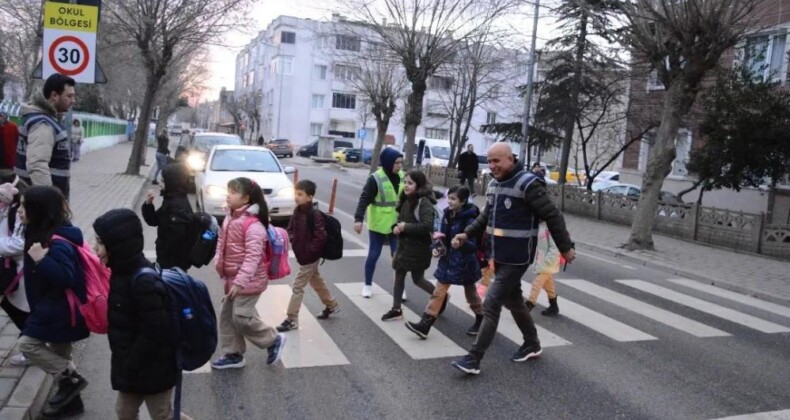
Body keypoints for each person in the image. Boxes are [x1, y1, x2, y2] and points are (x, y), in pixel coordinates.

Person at [450, 142, 575, 375]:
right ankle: (532, 343)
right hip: (499, 254)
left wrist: (565, 248)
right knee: (514, 301)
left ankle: (474, 358)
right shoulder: (496, 183)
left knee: (491, 303)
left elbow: (552, 215)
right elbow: (487, 215)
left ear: (510, 159)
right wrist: (466, 234)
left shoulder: (528, 184)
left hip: (518, 257)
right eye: (489, 161)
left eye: (497, 161)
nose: (492, 165)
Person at [93, 209, 192, 420]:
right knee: (124, 412)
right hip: (131, 366)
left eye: (100, 243)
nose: (96, 249)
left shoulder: (143, 282)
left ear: (119, 246)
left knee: (161, 414)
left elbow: (157, 330)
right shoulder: (121, 272)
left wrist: (131, 363)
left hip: (152, 367)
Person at [17, 186, 89, 416]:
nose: (18, 211)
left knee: (27, 345)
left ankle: (73, 380)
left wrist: (40, 260)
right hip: (52, 308)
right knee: (61, 355)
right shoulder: (38, 231)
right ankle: (72, 403)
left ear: (38, 210)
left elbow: (66, 277)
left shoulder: (58, 240)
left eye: (23, 206)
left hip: (59, 310)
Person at [211, 177, 286, 369]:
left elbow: (253, 258)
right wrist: (218, 259)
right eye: (228, 191)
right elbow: (221, 241)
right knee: (228, 316)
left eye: (233, 192)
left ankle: (273, 340)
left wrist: (240, 282)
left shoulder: (253, 225)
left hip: (248, 280)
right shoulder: (230, 217)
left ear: (246, 199)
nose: (228, 195)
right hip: (232, 278)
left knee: (241, 317)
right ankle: (233, 354)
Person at [405, 185, 483, 338]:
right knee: (438, 292)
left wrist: (461, 243)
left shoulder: (471, 218)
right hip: (448, 261)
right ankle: (425, 325)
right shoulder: (447, 214)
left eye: (454, 199)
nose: (450, 201)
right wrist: (437, 248)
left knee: (471, 295)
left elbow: (473, 245)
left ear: (463, 201)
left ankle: (482, 318)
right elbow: (442, 237)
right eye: (449, 197)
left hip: (464, 263)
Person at [277, 179, 339, 332]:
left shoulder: (314, 214)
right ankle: (331, 305)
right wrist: (293, 239)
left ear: (309, 197)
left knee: (298, 286)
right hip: (303, 255)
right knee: (316, 281)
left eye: (300, 194)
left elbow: (321, 237)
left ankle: (291, 319)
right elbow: (290, 228)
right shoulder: (298, 211)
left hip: (310, 257)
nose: (296, 197)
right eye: (295, 193)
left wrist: (310, 251)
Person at [381, 170, 438, 321]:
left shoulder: (423, 202)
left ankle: (440, 296)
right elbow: (400, 219)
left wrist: (405, 227)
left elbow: (427, 226)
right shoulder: (406, 199)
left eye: (410, 183)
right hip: (404, 247)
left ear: (418, 185)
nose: (406, 186)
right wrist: (395, 227)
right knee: (399, 275)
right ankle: (396, 308)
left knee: (417, 279)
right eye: (405, 182)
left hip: (418, 249)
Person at [15, 73, 76, 199]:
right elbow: (37, 165)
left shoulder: (44, 120)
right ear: (54, 96)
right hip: (39, 205)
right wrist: (49, 202)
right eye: (69, 96)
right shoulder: (43, 124)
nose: (73, 101)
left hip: (34, 199)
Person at [353, 147, 404, 298]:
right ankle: (367, 285)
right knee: (374, 254)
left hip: (397, 224)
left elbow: (415, 190)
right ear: (388, 163)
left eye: (401, 162)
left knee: (398, 257)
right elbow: (364, 199)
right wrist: (358, 219)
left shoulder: (402, 176)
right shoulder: (375, 179)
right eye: (396, 163)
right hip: (379, 224)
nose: (400, 166)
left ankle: (399, 288)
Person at [0, 173, 30, 366]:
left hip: (20, 268)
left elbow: (20, 243)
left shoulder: (18, 212)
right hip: (8, 265)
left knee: (21, 307)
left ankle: (32, 347)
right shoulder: (5, 208)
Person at [141, 162, 194, 271]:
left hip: (172, 264)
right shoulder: (170, 200)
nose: (160, 184)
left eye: (163, 181)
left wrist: (165, 265)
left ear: (172, 183)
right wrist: (148, 205)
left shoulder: (177, 205)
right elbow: (154, 221)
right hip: (166, 260)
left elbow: (177, 241)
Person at [526, 222, 561, 316]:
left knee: (536, 284)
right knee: (549, 284)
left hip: (548, 263)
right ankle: (554, 306)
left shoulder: (551, 227)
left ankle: (529, 304)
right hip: (542, 262)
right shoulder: (540, 225)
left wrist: (548, 261)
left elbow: (555, 247)